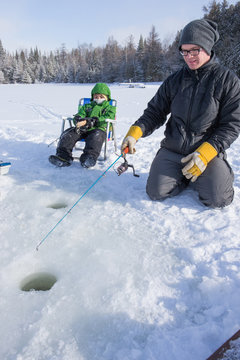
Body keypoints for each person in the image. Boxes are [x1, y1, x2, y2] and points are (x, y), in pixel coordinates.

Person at [121, 19, 240, 208]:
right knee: (156, 192)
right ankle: (184, 177)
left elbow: (232, 125)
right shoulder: (174, 80)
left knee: (218, 199)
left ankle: (214, 174)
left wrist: (206, 152)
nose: (189, 56)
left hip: (205, 152)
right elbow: (155, 111)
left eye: (194, 50)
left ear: (207, 47)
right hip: (173, 150)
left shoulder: (228, 81)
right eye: (184, 51)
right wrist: (135, 132)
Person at [49, 83, 116, 168]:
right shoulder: (87, 106)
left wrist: (94, 120)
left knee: (95, 137)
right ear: (93, 97)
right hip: (83, 129)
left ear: (107, 97)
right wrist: (77, 118)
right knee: (69, 133)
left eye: (101, 97)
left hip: (98, 129)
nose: (98, 98)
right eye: (96, 96)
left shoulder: (109, 108)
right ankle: (63, 156)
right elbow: (80, 113)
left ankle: (88, 158)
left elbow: (109, 116)